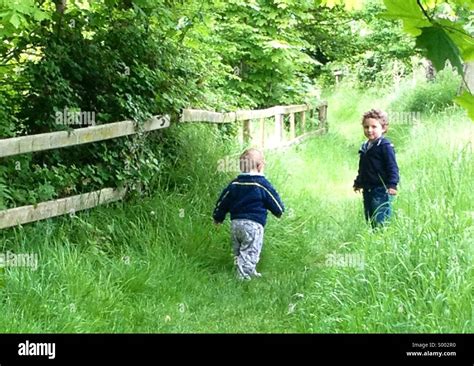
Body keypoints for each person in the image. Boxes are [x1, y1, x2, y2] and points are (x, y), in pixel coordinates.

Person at [213, 148, 284, 280]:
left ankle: (246, 270)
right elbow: (274, 200)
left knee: (239, 251)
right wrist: (279, 211)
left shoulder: (234, 184)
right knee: (251, 251)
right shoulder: (262, 184)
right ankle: (243, 277)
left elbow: (223, 201)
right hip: (253, 225)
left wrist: (218, 217)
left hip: (236, 225)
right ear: (259, 166)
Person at [353, 109, 399, 227]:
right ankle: (373, 236)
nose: (369, 130)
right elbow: (363, 167)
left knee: (381, 218)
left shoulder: (385, 146)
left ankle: (382, 237)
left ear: (383, 128)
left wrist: (392, 185)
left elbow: (392, 167)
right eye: (366, 127)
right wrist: (358, 182)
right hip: (367, 189)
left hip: (381, 189)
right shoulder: (365, 147)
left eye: (374, 127)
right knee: (370, 217)